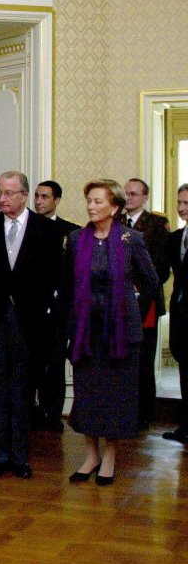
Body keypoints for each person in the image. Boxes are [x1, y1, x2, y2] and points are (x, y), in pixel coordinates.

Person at [62, 179, 159, 486]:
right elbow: (67, 286)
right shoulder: (76, 240)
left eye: (98, 201)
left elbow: (152, 283)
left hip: (121, 335)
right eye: (89, 200)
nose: (91, 206)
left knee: (116, 397)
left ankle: (111, 456)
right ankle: (90, 455)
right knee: (89, 395)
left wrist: (130, 310)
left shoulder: (132, 239)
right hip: (86, 333)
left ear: (114, 207)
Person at [0, 171, 61, 479]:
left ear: (24, 196)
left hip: (29, 321)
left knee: (23, 390)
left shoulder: (46, 232)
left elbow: (52, 276)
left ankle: (20, 456)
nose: (2, 199)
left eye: (9, 193)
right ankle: (0, 455)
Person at [31, 180, 80, 431]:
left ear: (56, 200)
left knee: (55, 362)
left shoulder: (71, 232)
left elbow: (74, 274)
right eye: (37, 196)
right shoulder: (24, 227)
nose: (39, 201)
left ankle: (53, 413)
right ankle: (31, 410)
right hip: (31, 309)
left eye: (45, 197)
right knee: (31, 362)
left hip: (60, 309)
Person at [122, 178, 171, 429]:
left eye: (133, 194)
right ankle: (124, 410)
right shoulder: (116, 221)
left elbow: (161, 268)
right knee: (123, 359)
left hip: (146, 302)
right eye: (126, 193)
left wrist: (138, 286)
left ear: (145, 197)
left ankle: (143, 413)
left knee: (143, 360)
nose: (128, 198)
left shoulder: (157, 224)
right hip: (119, 302)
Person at [163, 184, 188, 444]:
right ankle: (185, 426)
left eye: (186, 203)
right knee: (184, 371)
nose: (181, 208)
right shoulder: (175, 238)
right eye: (179, 202)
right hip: (180, 315)